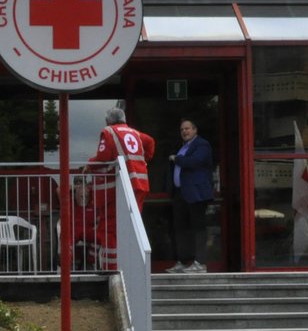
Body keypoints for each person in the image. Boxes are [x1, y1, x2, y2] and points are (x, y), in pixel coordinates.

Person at [87, 106, 154, 271]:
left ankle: (112, 269)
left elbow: (103, 157)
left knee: (110, 228)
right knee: (131, 227)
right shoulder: (135, 133)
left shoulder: (108, 131)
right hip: (140, 185)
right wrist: (144, 159)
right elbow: (150, 142)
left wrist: (89, 164)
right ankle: (132, 265)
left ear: (108, 120)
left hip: (120, 188)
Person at [167, 117, 215, 273]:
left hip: (196, 193)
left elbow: (195, 162)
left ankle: (200, 263)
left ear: (195, 130)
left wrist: (177, 159)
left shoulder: (202, 144)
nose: (184, 132)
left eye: (187, 128)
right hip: (180, 193)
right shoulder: (183, 147)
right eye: (182, 129)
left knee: (198, 228)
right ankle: (182, 261)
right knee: (180, 229)